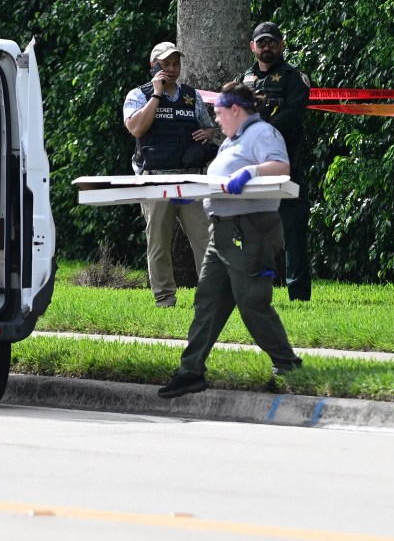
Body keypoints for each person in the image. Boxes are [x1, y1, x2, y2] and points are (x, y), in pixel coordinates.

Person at [158, 82, 303, 398]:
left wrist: (250, 173)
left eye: (220, 113)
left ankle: (288, 365)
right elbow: (220, 182)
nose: (217, 120)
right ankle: (190, 371)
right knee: (207, 302)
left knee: (252, 301)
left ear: (235, 110)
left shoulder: (262, 133)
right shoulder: (231, 140)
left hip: (249, 231)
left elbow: (281, 167)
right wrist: (195, 195)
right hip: (222, 231)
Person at [123, 41, 216, 308]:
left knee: (204, 239)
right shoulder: (138, 95)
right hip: (155, 179)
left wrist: (206, 133)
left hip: (190, 179)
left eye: (176, 63)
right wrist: (156, 94)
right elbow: (137, 129)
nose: (172, 69)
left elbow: (208, 127)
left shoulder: (191, 96)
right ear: (154, 66)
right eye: (165, 65)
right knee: (158, 243)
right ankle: (164, 299)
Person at [236, 21, 312, 300]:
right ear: (252, 47)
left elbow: (292, 115)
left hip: (286, 167)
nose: (267, 47)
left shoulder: (295, 78)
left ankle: (299, 295)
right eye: (262, 42)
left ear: (282, 45)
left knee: (293, 234)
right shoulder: (243, 79)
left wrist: (259, 131)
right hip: (252, 170)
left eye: (272, 42)